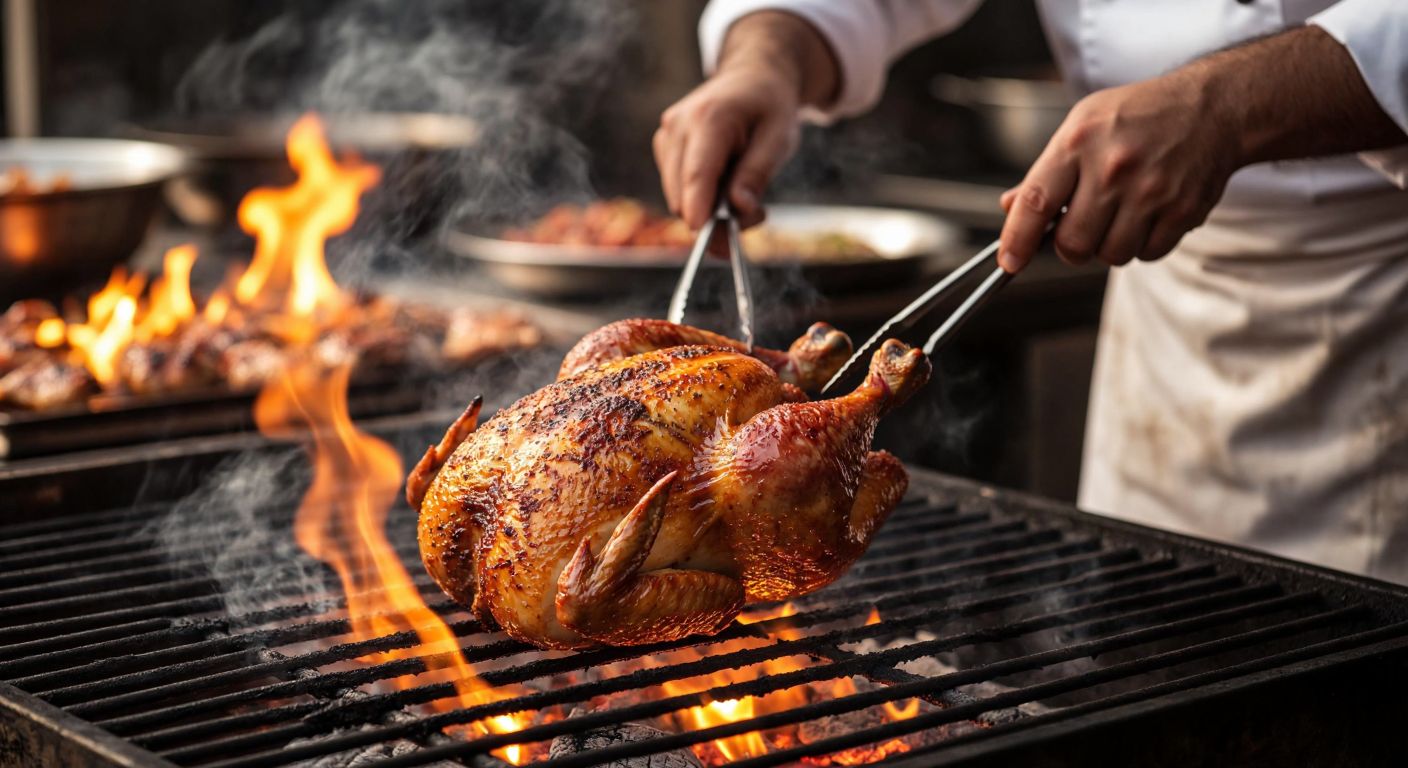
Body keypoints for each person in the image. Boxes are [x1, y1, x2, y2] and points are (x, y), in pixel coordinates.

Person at [654, 0, 1408, 583]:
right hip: (1166, 312)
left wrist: (1223, 106)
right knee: (1147, 652)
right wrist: (765, 59)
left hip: (1378, 303)